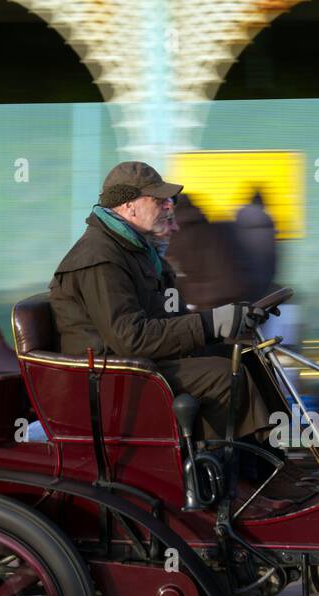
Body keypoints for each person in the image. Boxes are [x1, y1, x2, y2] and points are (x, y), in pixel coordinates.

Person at [49, 161, 272, 444]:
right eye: (159, 200)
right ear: (129, 206)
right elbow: (131, 339)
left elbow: (171, 319)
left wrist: (227, 321)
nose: (169, 207)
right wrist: (210, 323)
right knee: (222, 376)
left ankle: (273, 466)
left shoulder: (138, 253)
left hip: (139, 367)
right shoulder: (99, 258)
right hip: (112, 380)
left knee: (247, 357)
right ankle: (227, 477)